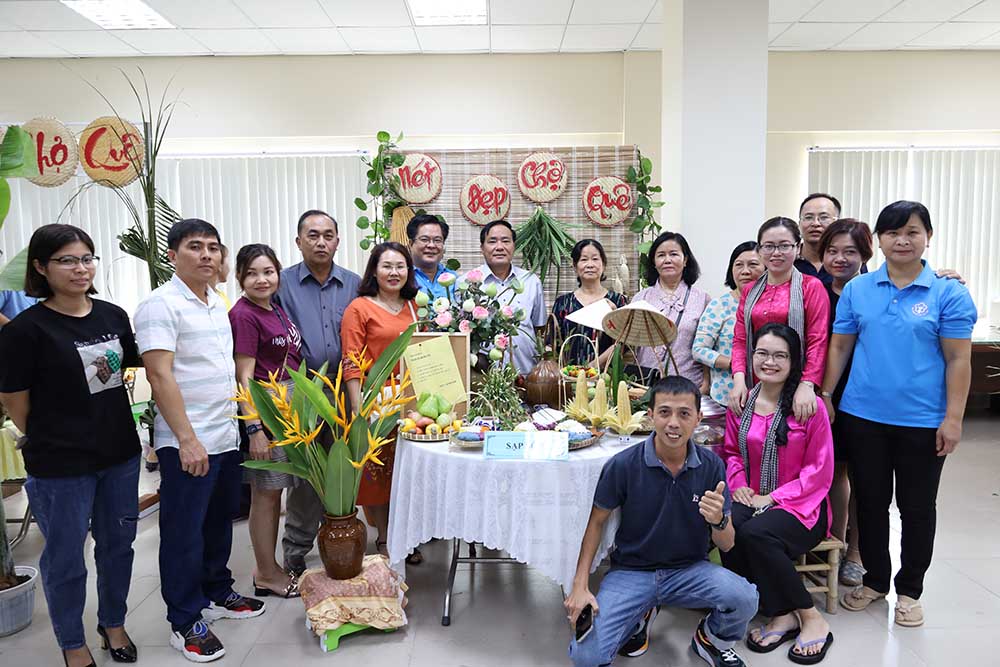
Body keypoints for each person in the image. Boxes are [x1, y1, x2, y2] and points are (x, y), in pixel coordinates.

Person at [822, 200, 977, 627]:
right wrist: (827, 394)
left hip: (923, 421)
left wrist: (954, 418)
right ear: (880, 240)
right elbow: (840, 346)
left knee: (917, 507)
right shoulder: (858, 290)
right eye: (892, 233)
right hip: (863, 416)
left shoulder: (948, 292)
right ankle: (874, 581)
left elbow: (958, 361)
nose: (902, 240)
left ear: (928, 236)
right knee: (870, 503)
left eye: (911, 231)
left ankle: (910, 591)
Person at [0, 224, 140, 667]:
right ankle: (72, 643)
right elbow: (13, 398)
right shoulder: (26, 330)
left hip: (119, 453)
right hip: (61, 464)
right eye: (66, 260)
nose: (80, 268)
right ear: (41, 267)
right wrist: (45, 432)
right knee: (65, 559)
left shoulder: (113, 315)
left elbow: (128, 370)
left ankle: (112, 623)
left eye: (87, 258)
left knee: (118, 546)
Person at [135, 219, 264, 663]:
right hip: (188, 441)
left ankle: (217, 592)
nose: (207, 255)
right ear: (173, 255)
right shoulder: (160, 305)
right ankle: (185, 619)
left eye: (213, 247)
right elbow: (159, 374)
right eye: (195, 247)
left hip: (224, 434)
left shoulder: (215, 302)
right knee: (183, 532)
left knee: (218, 522)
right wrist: (186, 440)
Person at [565, 376, 758, 667]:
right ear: (650, 415)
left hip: (688, 570)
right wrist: (579, 585)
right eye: (665, 412)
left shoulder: (711, 467)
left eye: (684, 414)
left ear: (698, 419)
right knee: (587, 657)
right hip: (631, 572)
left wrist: (718, 520)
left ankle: (712, 640)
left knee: (745, 597)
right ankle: (639, 615)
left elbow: (727, 543)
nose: (673, 423)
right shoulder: (623, 465)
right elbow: (596, 523)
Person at [720, 323, 835, 664]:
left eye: (780, 355)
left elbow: (820, 471)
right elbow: (732, 454)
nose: (769, 362)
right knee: (724, 523)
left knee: (756, 532)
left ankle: (811, 616)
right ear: (751, 356)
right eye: (762, 353)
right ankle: (779, 611)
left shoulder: (807, 406)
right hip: (751, 494)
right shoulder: (740, 402)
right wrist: (739, 483)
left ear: (793, 361)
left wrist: (773, 499)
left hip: (804, 507)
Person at [274, 209, 361, 577]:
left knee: (345, 468)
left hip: (346, 390)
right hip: (302, 392)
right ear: (298, 242)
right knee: (307, 473)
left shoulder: (355, 283)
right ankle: (296, 547)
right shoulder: (280, 284)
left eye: (328, 235)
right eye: (312, 235)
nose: (321, 241)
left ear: (338, 241)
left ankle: (344, 538)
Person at [229, 244, 303, 599]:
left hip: (289, 408)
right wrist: (254, 428)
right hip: (267, 410)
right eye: (252, 273)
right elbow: (243, 377)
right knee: (267, 494)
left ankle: (270, 567)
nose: (261, 279)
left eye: (268, 272)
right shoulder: (244, 315)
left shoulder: (274, 307)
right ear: (240, 276)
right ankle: (265, 573)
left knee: (277, 492)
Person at [341, 242, 419, 560]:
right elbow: (351, 361)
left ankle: (409, 536)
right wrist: (359, 407)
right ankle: (386, 538)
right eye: (387, 265)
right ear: (374, 269)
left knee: (407, 471)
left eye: (400, 266)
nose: (394, 272)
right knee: (379, 474)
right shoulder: (359, 308)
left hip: (412, 400)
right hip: (376, 401)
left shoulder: (414, 306)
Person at [729, 218, 829, 423]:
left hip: (796, 384)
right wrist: (739, 379)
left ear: (798, 247)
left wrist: (807, 384)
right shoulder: (750, 290)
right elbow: (740, 340)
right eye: (769, 246)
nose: (776, 253)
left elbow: (818, 340)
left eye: (784, 246)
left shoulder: (811, 287)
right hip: (756, 383)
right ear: (760, 249)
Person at [632, 232, 711, 388]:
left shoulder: (703, 300)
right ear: (654, 262)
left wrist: (706, 384)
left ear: (685, 260)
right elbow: (626, 341)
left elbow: (708, 345)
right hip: (645, 385)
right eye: (661, 255)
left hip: (688, 384)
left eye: (674, 254)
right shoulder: (640, 299)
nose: (667, 260)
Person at [693, 241, 765, 413]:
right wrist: (737, 364)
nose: (745, 271)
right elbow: (699, 350)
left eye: (753, 264)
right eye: (738, 265)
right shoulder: (720, 305)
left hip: (767, 399)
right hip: (726, 400)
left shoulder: (773, 305)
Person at [474, 220, 546, 375]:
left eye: (506, 241)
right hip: (483, 377)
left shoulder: (531, 281)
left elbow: (539, 329)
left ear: (514, 246)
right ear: (482, 248)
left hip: (527, 374)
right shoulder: (469, 282)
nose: (499, 247)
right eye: (492, 241)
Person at [549, 239, 627, 367]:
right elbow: (551, 342)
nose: (590, 264)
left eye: (595, 259)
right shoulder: (563, 303)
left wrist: (592, 367)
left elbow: (623, 343)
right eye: (584, 259)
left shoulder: (618, 301)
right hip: (568, 377)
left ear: (604, 265)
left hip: (607, 377)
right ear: (575, 266)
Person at [795, 193, 840, 283]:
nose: (815, 223)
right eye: (808, 217)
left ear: (837, 222)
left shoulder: (847, 261)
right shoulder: (787, 260)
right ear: (799, 223)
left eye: (824, 217)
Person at [407, 213, 453, 300]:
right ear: (411, 244)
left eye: (437, 240)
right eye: (424, 239)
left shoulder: (453, 279)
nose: (431, 245)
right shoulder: (403, 277)